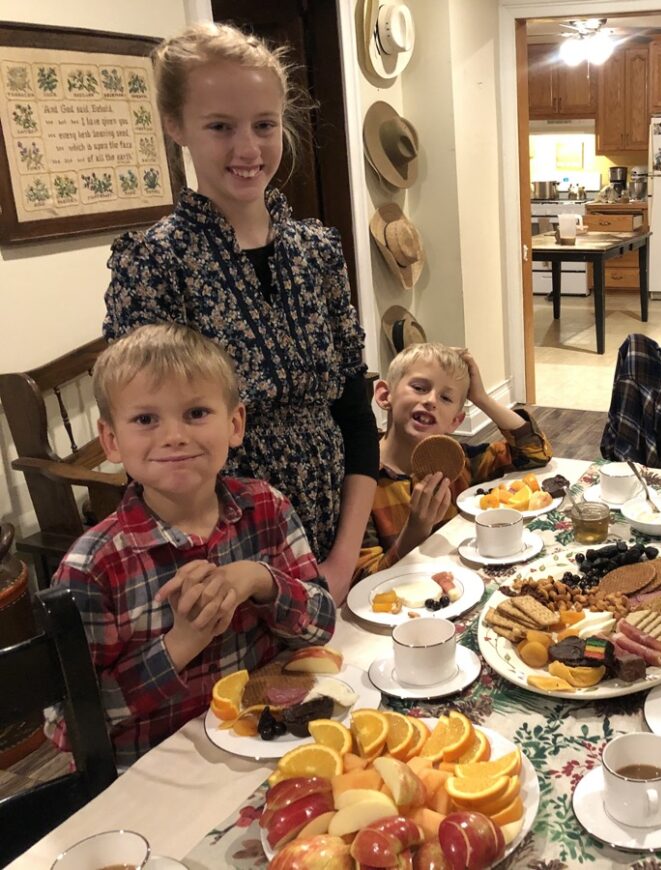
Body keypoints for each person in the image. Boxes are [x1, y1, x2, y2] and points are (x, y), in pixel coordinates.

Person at [103, 23, 377, 605]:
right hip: (221, 563)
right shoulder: (155, 264)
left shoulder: (318, 252)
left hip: (338, 538)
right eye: (220, 126)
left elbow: (355, 415)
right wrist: (227, 579)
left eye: (264, 125)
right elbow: (156, 450)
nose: (248, 149)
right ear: (176, 126)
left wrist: (341, 561)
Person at [48, 324, 336, 769]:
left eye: (196, 413)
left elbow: (322, 625)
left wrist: (260, 580)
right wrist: (181, 643)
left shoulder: (266, 506)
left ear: (235, 423)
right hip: (152, 776)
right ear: (111, 440)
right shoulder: (94, 566)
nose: (174, 436)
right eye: (146, 420)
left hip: (266, 746)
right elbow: (67, 726)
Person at [358, 344, 552, 575]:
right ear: (384, 395)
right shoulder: (360, 483)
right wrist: (416, 530)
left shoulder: (460, 463)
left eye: (446, 398)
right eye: (419, 388)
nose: (431, 400)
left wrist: (481, 399)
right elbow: (364, 578)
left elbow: (534, 453)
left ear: (455, 422)